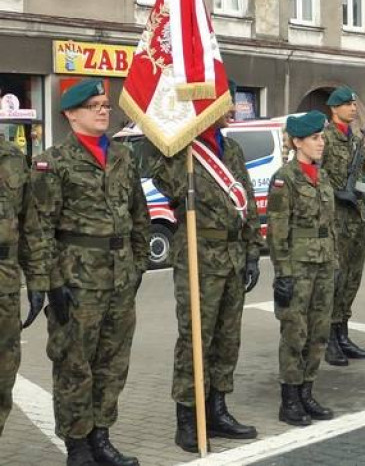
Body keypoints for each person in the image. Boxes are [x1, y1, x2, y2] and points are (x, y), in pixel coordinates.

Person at [24, 79, 149, 466]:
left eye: (105, 104)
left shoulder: (124, 157)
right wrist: (49, 283)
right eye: (93, 105)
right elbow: (39, 226)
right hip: (77, 281)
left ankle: (101, 437)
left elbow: (139, 215)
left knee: (112, 363)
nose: (102, 111)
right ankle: (77, 446)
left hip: (119, 278)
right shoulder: (53, 161)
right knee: (74, 364)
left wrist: (138, 262)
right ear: (70, 114)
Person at [150, 82, 263, 452]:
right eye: (225, 102)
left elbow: (246, 203)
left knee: (227, 339)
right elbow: (163, 179)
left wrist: (251, 251)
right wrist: (177, 136)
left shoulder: (230, 149)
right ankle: (187, 417)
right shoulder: (184, 150)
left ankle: (217, 409)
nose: (232, 108)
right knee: (196, 339)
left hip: (231, 256)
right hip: (200, 255)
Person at [267, 111, 336, 427]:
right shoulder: (285, 179)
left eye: (321, 137)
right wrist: (283, 273)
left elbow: (329, 225)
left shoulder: (321, 176)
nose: (321, 143)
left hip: (323, 265)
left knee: (319, 332)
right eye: (315, 138)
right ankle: (289, 399)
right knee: (295, 334)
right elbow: (278, 229)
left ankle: (308, 392)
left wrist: (334, 261)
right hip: (298, 267)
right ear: (297, 142)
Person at [321, 86, 365, 367]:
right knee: (336, 279)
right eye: (347, 104)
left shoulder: (355, 139)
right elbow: (316, 176)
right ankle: (329, 338)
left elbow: (362, 175)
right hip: (336, 220)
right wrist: (336, 192)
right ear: (334, 109)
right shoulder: (325, 138)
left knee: (352, 279)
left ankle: (343, 333)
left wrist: (363, 193)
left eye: (354, 104)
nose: (353, 108)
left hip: (356, 218)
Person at [0, 137, 29, 439]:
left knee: (4, 373)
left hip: (6, 282)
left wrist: (37, 279)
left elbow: (28, 222)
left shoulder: (13, 156)